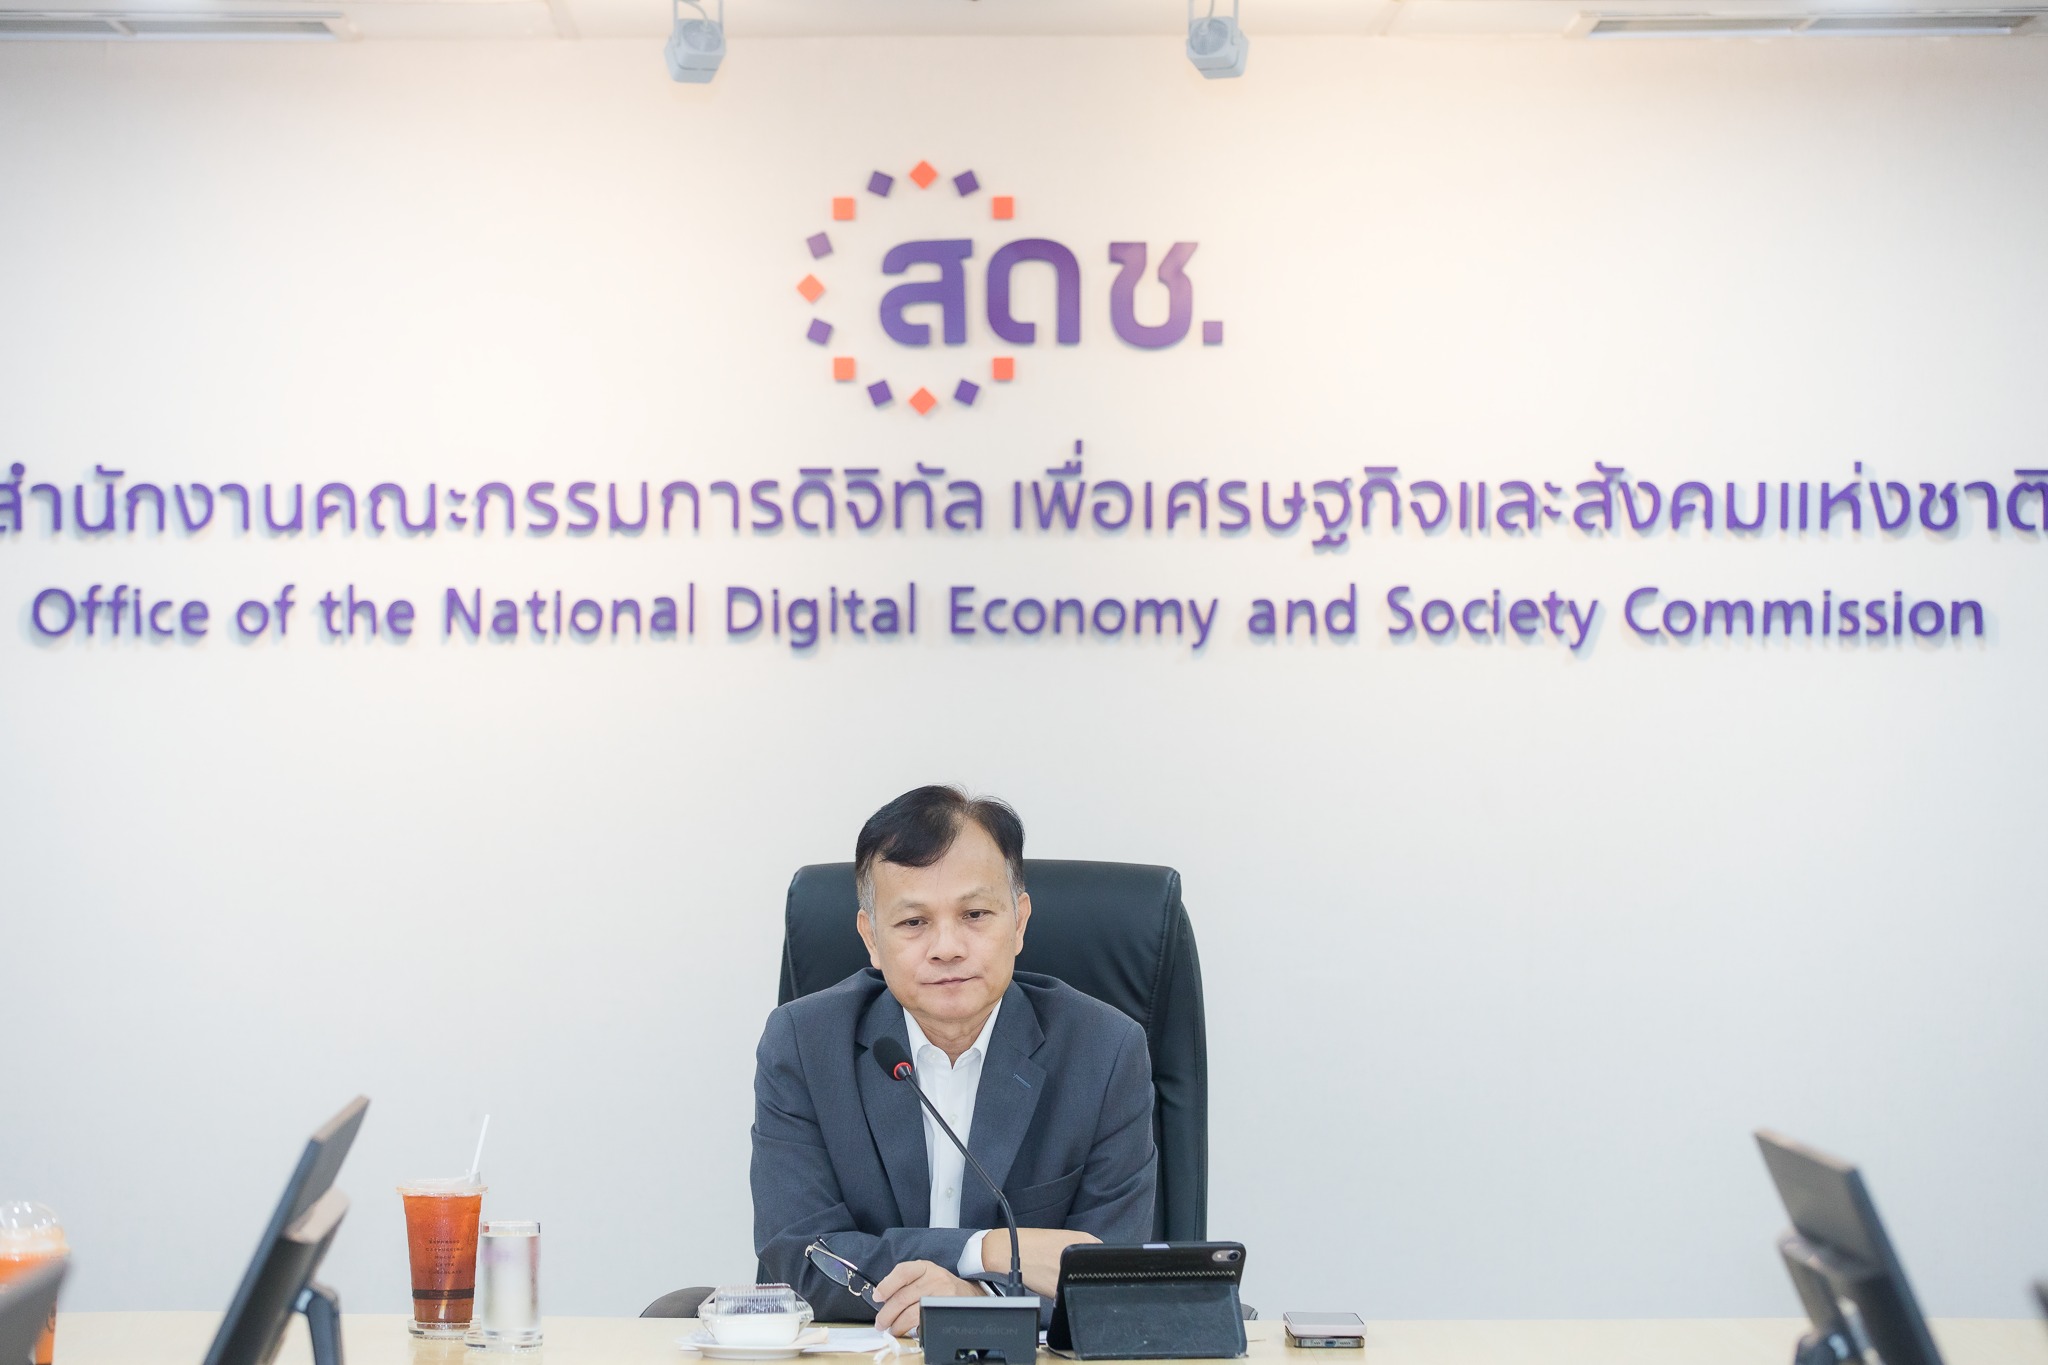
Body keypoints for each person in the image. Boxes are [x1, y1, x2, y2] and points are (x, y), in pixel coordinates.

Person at [751, 785, 1157, 1335]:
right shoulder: (804, 1044)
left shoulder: (1105, 1052)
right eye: (913, 922)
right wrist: (985, 1251)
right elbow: (802, 1258)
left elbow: (1108, 1284)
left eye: (974, 914)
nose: (947, 947)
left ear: (1019, 922)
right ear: (871, 939)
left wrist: (976, 1301)